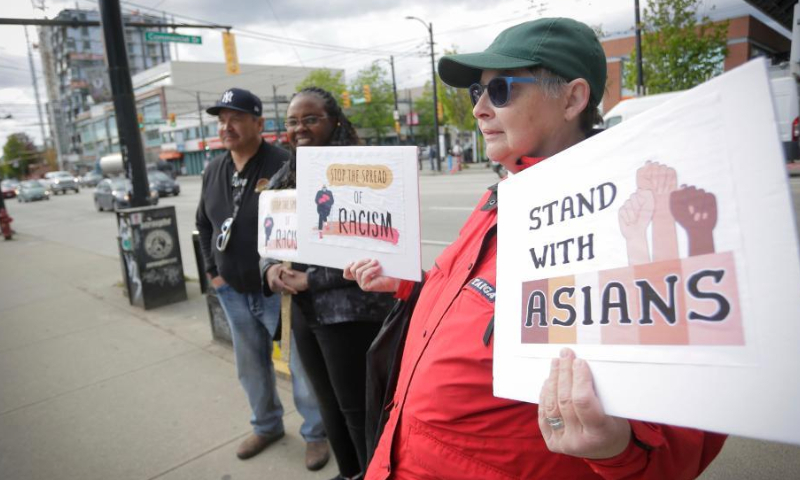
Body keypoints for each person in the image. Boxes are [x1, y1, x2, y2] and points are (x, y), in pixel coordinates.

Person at [345, 18, 726, 480]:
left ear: (573, 98)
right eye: (475, 94)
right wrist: (410, 286)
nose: (479, 110)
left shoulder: (626, 214)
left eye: (500, 90)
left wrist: (618, 449)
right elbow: (476, 302)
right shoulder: (507, 194)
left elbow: (689, 424)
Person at [261, 86, 396, 480]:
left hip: (351, 312)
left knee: (356, 406)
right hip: (305, 311)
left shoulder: (361, 172)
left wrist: (311, 279)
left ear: (334, 121)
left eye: (310, 119)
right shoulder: (287, 174)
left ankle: (371, 473)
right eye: (292, 121)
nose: (299, 128)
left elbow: (382, 248)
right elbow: (268, 238)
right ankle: (350, 471)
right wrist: (270, 270)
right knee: (328, 403)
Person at [195, 87, 330, 470]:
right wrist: (213, 274)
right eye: (222, 120)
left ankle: (316, 434)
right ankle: (267, 425)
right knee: (250, 365)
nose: (227, 126)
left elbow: (311, 223)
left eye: (235, 117)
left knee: (301, 367)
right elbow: (204, 224)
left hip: (278, 291)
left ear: (259, 123)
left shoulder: (283, 164)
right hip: (233, 292)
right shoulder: (214, 169)